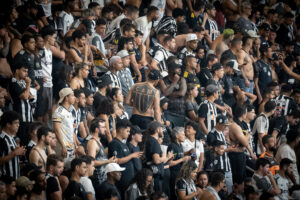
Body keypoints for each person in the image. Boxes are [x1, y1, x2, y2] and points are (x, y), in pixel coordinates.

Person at [108, 119, 143, 193]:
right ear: (121, 130)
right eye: (127, 131)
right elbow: (117, 160)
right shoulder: (114, 143)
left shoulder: (124, 144)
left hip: (129, 180)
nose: (129, 133)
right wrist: (132, 155)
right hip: (122, 180)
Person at [8, 56, 33, 146]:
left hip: (29, 117)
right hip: (20, 118)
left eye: (27, 71)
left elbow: (31, 96)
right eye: (24, 71)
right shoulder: (13, 82)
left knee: (28, 141)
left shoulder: (23, 82)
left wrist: (27, 90)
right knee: (22, 142)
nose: (26, 73)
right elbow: (25, 96)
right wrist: (29, 84)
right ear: (17, 70)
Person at [87, 118, 117, 188]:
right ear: (97, 129)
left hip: (103, 179)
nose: (105, 129)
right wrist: (108, 161)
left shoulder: (98, 142)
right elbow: (92, 162)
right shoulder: (92, 142)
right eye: (103, 127)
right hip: (97, 180)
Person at [207, 114, 233, 193]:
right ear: (218, 124)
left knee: (230, 191)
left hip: (226, 165)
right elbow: (212, 150)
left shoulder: (221, 132)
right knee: (222, 192)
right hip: (219, 168)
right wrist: (227, 149)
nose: (225, 127)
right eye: (224, 125)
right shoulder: (212, 135)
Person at [145, 121, 172, 192]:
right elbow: (156, 160)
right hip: (156, 175)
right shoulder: (154, 142)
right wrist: (164, 157)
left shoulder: (151, 140)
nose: (162, 131)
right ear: (157, 130)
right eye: (161, 128)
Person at [52, 88, 76, 164]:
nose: (74, 97)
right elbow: (57, 130)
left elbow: (72, 130)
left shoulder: (70, 111)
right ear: (66, 98)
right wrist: (63, 146)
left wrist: (74, 145)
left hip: (71, 148)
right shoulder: (58, 112)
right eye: (72, 95)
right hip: (63, 148)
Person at [160, 60, 187, 126]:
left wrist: (169, 94)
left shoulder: (182, 79)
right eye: (177, 68)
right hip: (168, 112)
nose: (180, 69)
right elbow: (165, 94)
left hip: (180, 112)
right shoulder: (162, 80)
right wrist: (174, 82)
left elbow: (182, 93)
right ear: (171, 69)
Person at [0, 111, 25, 179]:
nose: (18, 125)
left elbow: (11, 156)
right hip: (5, 182)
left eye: (18, 123)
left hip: (15, 179)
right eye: (16, 123)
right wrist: (14, 154)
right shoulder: (2, 139)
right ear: (8, 124)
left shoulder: (12, 138)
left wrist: (19, 154)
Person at [167, 127, 190, 199]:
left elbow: (179, 158)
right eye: (183, 134)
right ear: (177, 136)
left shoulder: (180, 146)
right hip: (173, 174)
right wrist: (183, 159)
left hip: (180, 174)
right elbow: (170, 163)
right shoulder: (172, 146)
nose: (185, 136)